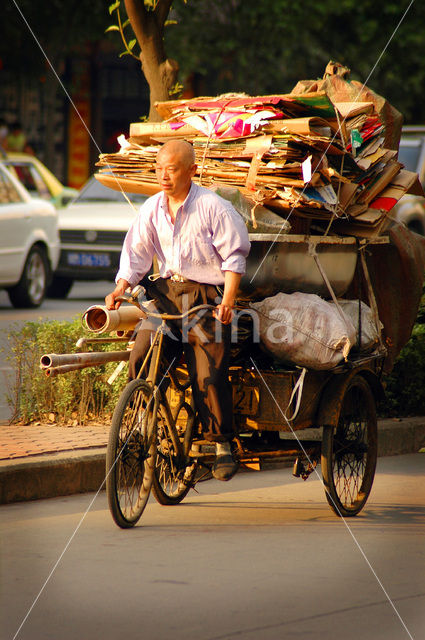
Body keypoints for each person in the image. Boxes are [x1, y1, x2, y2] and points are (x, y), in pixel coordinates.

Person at [105, 139, 250, 481]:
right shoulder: (152, 208)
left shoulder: (213, 207)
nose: (163, 176)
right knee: (140, 355)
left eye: (171, 169)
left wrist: (228, 301)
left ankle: (222, 445)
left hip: (206, 296)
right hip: (166, 293)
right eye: (159, 169)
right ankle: (142, 422)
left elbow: (234, 257)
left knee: (208, 373)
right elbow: (136, 255)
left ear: (191, 171)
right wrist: (120, 288)